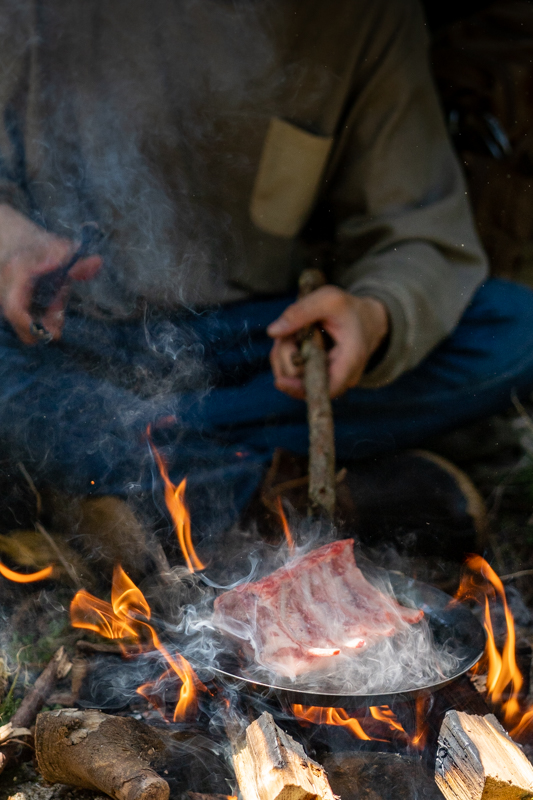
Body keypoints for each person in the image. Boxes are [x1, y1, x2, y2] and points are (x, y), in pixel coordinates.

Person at [0, 0, 532, 552]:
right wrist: (12, 243)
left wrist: (375, 315)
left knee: (512, 331)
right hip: (67, 336)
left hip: (254, 344)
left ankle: (120, 462)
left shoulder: (362, 18)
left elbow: (418, 232)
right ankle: (254, 492)